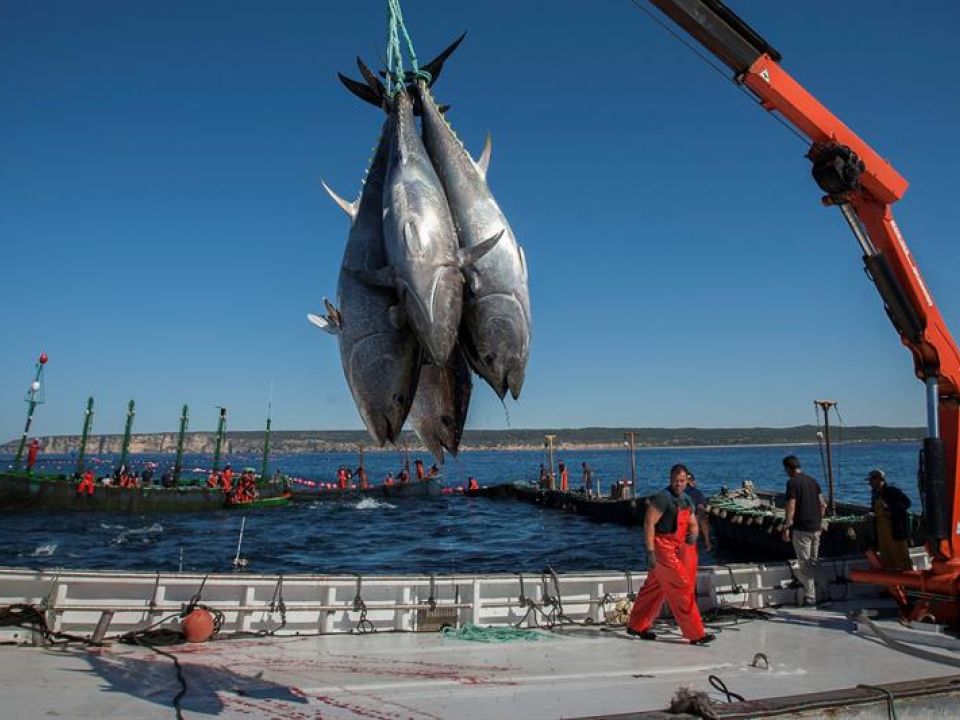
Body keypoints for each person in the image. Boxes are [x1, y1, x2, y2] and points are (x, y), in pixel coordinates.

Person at [627, 464, 714, 645]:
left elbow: (692, 521)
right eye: (675, 481)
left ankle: (636, 625)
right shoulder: (662, 498)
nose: (678, 484)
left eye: (682, 481)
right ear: (670, 479)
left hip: (675, 547)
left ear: (687, 480)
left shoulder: (687, 500)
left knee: (654, 589)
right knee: (682, 586)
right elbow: (649, 523)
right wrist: (650, 552)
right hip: (662, 549)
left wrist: (695, 533)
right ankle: (696, 634)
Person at [781, 455, 827, 607]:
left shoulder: (792, 483)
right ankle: (824, 593)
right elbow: (823, 504)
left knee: (805, 564)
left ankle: (810, 597)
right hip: (816, 528)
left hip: (802, 529)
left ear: (788, 468)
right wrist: (819, 521)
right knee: (814, 562)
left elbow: (791, 506)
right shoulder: (813, 481)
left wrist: (787, 526)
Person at [866, 469, 912, 571]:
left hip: (895, 531)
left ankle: (908, 580)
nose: (869, 483)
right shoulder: (875, 494)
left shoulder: (892, 491)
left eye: (871, 480)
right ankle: (894, 583)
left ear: (880, 480)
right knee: (887, 559)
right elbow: (874, 509)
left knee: (901, 558)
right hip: (882, 532)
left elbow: (907, 503)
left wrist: (891, 510)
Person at [684, 472, 713, 552]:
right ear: (692, 482)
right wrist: (707, 542)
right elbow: (702, 516)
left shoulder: (673, 493)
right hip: (690, 532)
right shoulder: (697, 493)